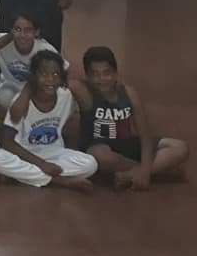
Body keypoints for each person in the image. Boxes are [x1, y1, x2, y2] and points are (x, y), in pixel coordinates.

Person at [75, 46, 189, 190]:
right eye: (95, 74)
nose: (101, 79)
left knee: (180, 147)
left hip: (126, 144)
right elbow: (62, 79)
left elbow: (145, 136)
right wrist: (145, 169)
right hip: (99, 147)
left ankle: (130, 175)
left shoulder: (128, 93)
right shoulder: (84, 92)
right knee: (100, 155)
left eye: (106, 73)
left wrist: (145, 169)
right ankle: (157, 170)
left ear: (115, 73)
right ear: (87, 76)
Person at [0, 50, 97, 191]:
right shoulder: (21, 101)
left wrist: (45, 163)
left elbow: (86, 102)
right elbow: (7, 142)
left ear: (62, 77)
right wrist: (42, 164)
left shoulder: (66, 96)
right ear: (33, 77)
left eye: (55, 74)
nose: (50, 79)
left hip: (53, 152)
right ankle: (59, 181)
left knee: (90, 164)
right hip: (24, 153)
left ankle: (23, 175)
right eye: (43, 74)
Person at [0, 11, 62, 111]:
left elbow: (65, 72)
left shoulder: (46, 49)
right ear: (11, 30)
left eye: (28, 30)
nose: (22, 35)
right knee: (5, 98)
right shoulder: (1, 42)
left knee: (57, 96)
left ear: (36, 32)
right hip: (11, 88)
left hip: (37, 90)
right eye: (18, 29)